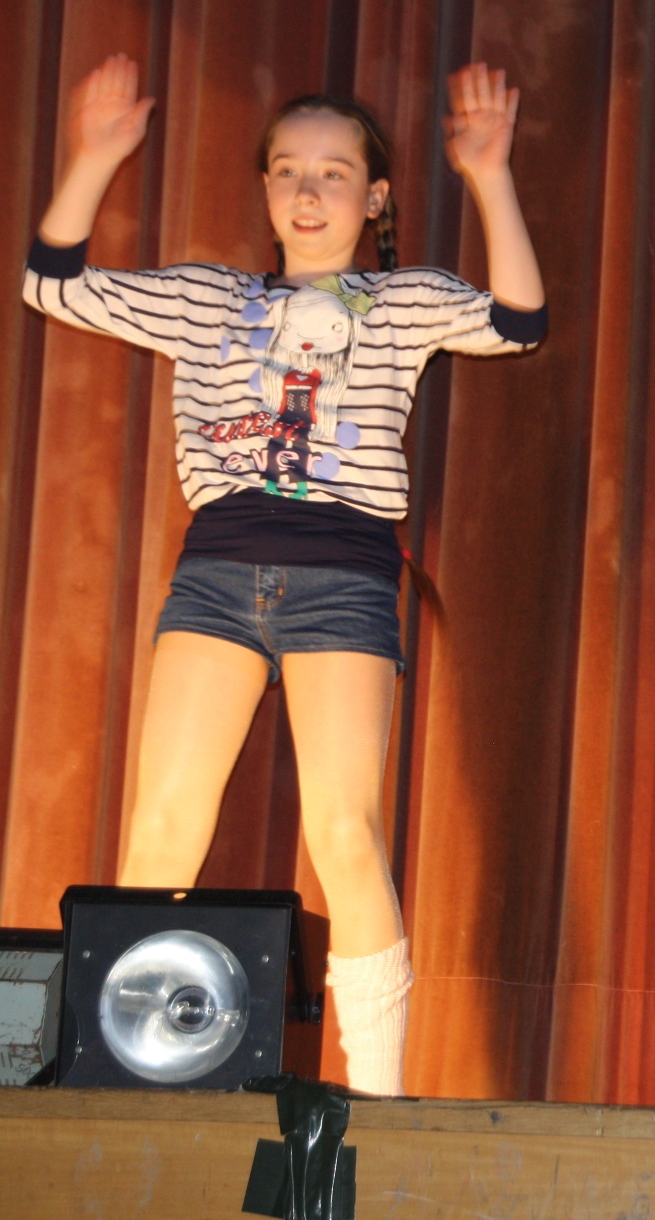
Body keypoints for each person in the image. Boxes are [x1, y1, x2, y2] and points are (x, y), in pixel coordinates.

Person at [23, 55, 546, 1093]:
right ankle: (113, 1078)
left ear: (375, 196)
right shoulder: (209, 297)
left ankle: (378, 1096)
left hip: (343, 578)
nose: (309, 193)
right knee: (162, 827)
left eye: (335, 174)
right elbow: (52, 282)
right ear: (265, 189)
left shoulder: (399, 302)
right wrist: (93, 156)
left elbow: (518, 320)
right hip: (217, 574)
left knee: (344, 830)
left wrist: (490, 174)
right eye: (289, 172)